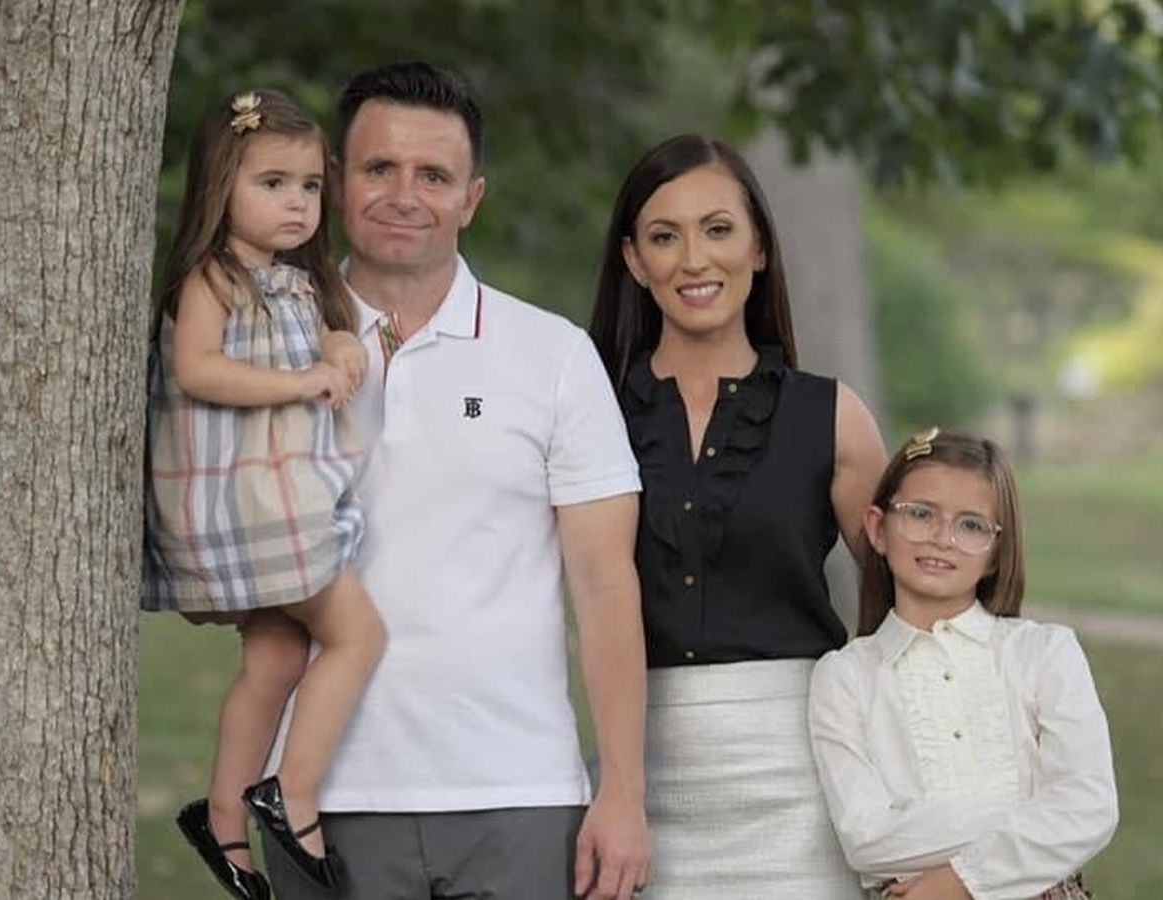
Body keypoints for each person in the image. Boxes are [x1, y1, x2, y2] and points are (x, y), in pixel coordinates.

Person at [258, 62, 652, 900]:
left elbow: (605, 585)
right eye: (380, 168)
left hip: (519, 790)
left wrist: (622, 789)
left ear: (471, 199)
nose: (405, 195)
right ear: (337, 182)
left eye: (433, 176)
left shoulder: (552, 355)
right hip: (319, 795)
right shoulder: (267, 344)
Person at [588, 133, 888, 897]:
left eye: (718, 229)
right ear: (634, 261)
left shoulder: (833, 417)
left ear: (758, 248)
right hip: (635, 793)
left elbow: (910, 607)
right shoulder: (586, 416)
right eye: (665, 237)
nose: (694, 260)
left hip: (807, 788)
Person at [142, 89, 387, 899]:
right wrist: (302, 380)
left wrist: (340, 349)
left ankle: (222, 822)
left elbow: (325, 342)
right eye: (273, 184)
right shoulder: (212, 279)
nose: (298, 203)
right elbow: (198, 369)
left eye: (310, 186)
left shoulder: (292, 284)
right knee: (357, 636)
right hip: (252, 506)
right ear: (222, 187)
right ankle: (292, 793)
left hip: (272, 503)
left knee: (278, 655)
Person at [808, 428, 1118, 899]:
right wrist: (1036, 812)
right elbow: (866, 838)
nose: (942, 538)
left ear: (996, 553)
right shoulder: (845, 677)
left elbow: (1091, 807)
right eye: (920, 514)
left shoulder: (1044, 653)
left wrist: (959, 882)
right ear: (878, 529)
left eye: (971, 525)